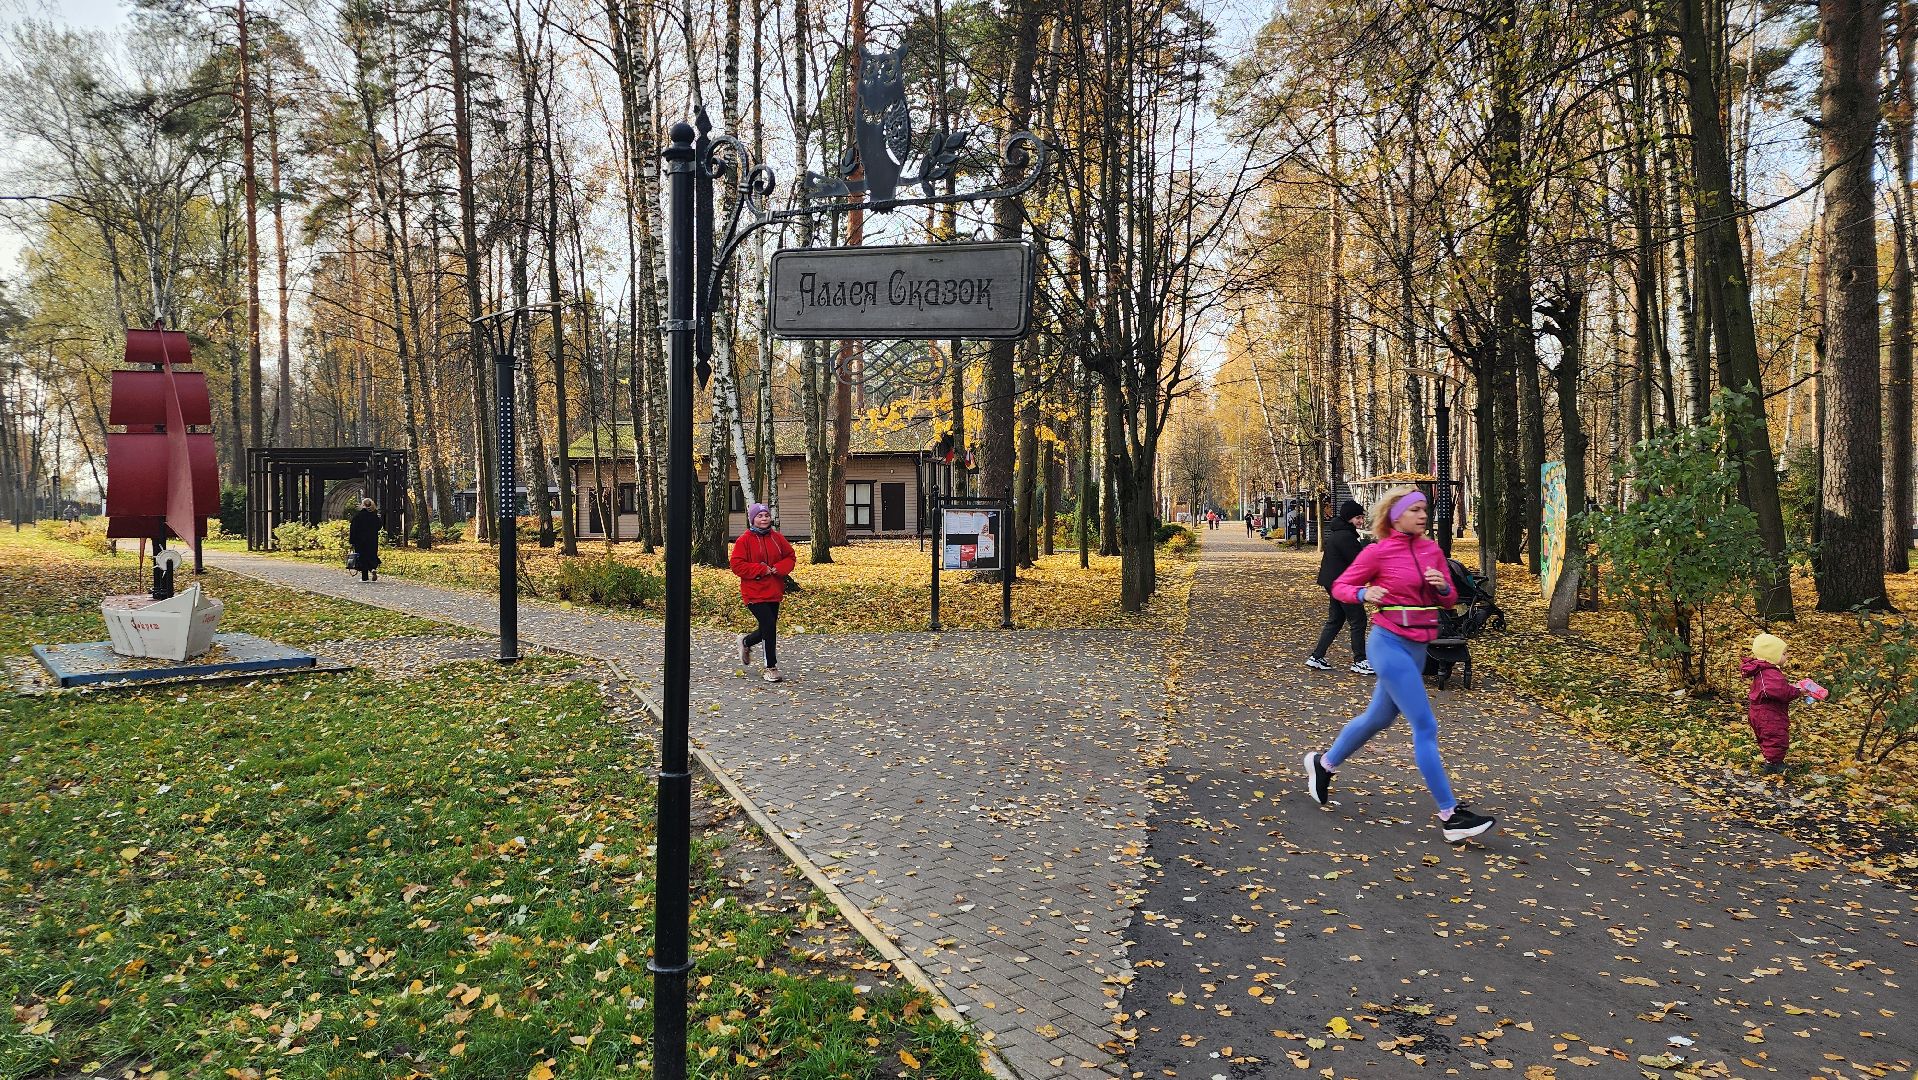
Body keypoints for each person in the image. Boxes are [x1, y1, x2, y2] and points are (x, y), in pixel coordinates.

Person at [1301, 486, 1497, 844]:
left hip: (1420, 646)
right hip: (1388, 643)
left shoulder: (1431, 550)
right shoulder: (1377, 552)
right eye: (1415, 509)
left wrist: (1441, 588)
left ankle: (1324, 764)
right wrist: (1363, 593)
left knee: (1379, 717)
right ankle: (1450, 814)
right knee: (1425, 724)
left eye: (1425, 509)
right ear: (1396, 515)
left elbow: (1451, 600)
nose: (1423, 515)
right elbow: (1341, 585)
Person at [730, 502, 796, 683]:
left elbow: (790, 557)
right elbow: (737, 565)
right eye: (759, 516)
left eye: (766, 515)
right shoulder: (744, 540)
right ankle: (770, 667)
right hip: (753, 592)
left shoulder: (777, 538)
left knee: (768, 627)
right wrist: (761, 570)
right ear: (752, 519)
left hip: (774, 590)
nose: (764, 519)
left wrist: (779, 569)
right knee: (768, 625)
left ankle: (746, 642)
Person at [1307, 499, 1373, 675]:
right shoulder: (1345, 536)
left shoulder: (1341, 533)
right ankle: (1360, 660)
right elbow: (1360, 561)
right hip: (1343, 585)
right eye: (1358, 518)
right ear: (1349, 518)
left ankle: (1317, 656)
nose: (1361, 521)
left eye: (1362, 517)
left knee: (1336, 620)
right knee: (1358, 620)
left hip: (1333, 582)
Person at [1742, 632, 1799, 775]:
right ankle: (1774, 764)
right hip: (1769, 714)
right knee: (1776, 736)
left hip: (1763, 712)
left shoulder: (1766, 671)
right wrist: (1798, 691)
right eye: (1784, 653)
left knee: (1768, 737)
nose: (1787, 656)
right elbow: (1779, 691)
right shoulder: (1769, 673)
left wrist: (1792, 687)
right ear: (1772, 656)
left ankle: (1772, 761)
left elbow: (1777, 688)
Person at [349, 498, 383, 581]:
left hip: (360, 540)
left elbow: (353, 528)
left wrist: (352, 540)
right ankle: (372, 569)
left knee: (362, 557)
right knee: (371, 555)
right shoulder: (374, 516)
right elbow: (379, 526)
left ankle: (365, 577)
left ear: (363, 505)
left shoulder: (358, 516)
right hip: (372, 540)